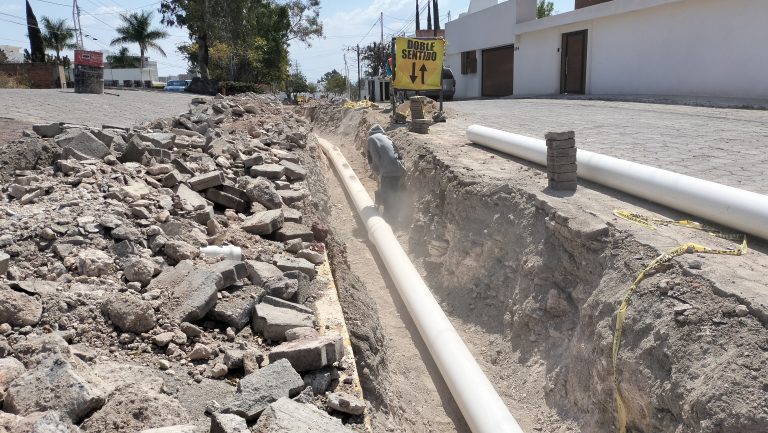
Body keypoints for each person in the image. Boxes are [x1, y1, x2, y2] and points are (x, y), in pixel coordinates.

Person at [367, 124, 405, 216]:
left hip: (388, 171)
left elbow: (374, 158)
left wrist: (378, 173)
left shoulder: (371, 139)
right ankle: (397, 218)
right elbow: (398, 154)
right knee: (394, 194)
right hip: (399, 169)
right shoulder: (387, 138)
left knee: (387, 196)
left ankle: (388, 220)